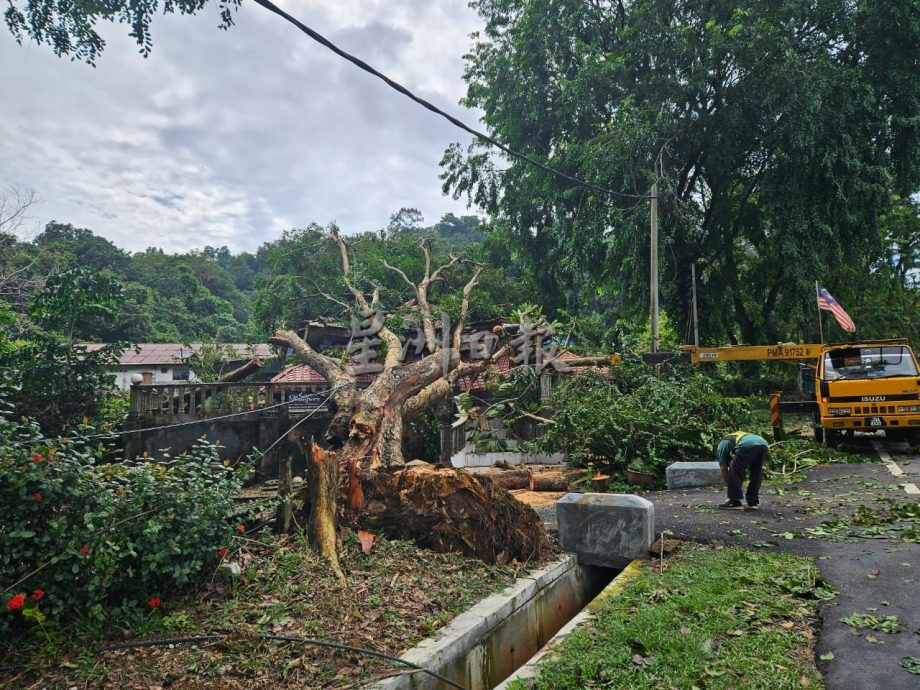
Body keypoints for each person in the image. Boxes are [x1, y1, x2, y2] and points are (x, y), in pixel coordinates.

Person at [715, 431, 768, 509]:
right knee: (756, 472)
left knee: (734, 469)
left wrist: (730, 483)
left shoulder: (721, 446)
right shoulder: (736, 436)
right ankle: (752, 502)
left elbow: (724, 468)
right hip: (763, 443)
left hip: (748, 444)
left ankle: (734, 501)